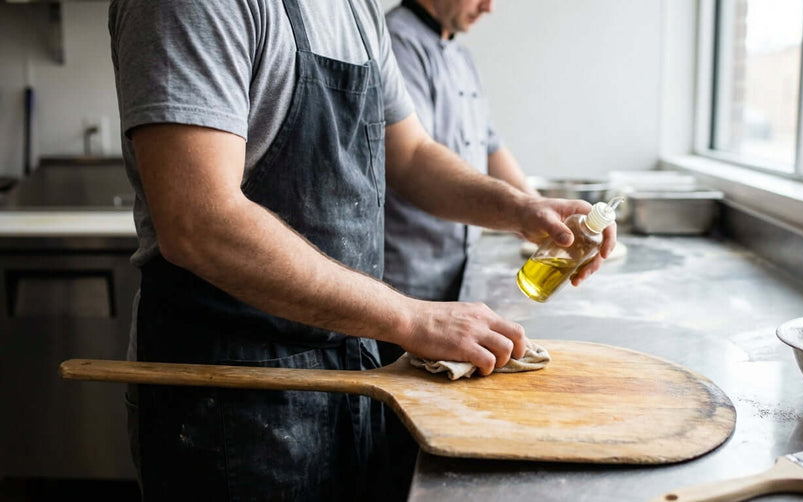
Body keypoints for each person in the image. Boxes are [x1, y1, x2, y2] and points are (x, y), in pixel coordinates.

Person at [109, 0, 616, 500]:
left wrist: (522, 209)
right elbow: (199, 222)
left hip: (355, 371)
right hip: (231, 397)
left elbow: (412, 155)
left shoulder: (356, 7)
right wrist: (412, 318)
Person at [377, 1, 539, 496]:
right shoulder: (397, 42)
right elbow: (415, 161)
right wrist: (523, 213)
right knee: (402, 434)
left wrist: (538, 211)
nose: (489, 7)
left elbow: (489, 145)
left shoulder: (459, 55)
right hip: (404, 282)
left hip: (456, 273)